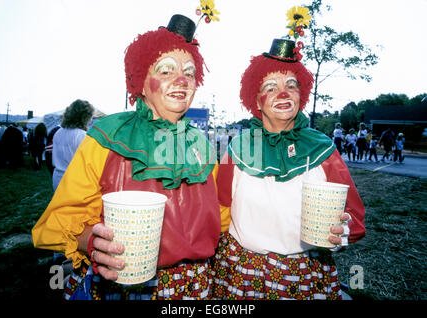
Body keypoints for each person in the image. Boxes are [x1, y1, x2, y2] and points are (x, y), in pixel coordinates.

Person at [32, 14, 221, 300]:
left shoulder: (204, 148)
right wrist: (93, 243)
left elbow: (222, 217)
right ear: (142, 81)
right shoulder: (106, 137)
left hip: (192, 288)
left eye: (190, 72)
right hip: (117, 283)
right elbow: (62, 220)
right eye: (166, 71)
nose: (182, 80)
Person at [211, 17, 365, 300]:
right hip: (240, 272)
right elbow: (217, 210)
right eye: (270, 86)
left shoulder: (323, 149)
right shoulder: (237, 148)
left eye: (291, 85)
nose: (282, 93)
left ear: (301, 95)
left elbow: (354, 218)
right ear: (256, 101)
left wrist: (339, 234)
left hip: (305, 275)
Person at [52, 101, 94, 191]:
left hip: (57, 178)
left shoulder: (58, 132)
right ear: (85, 117)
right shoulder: (82, 135)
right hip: (74, 181)